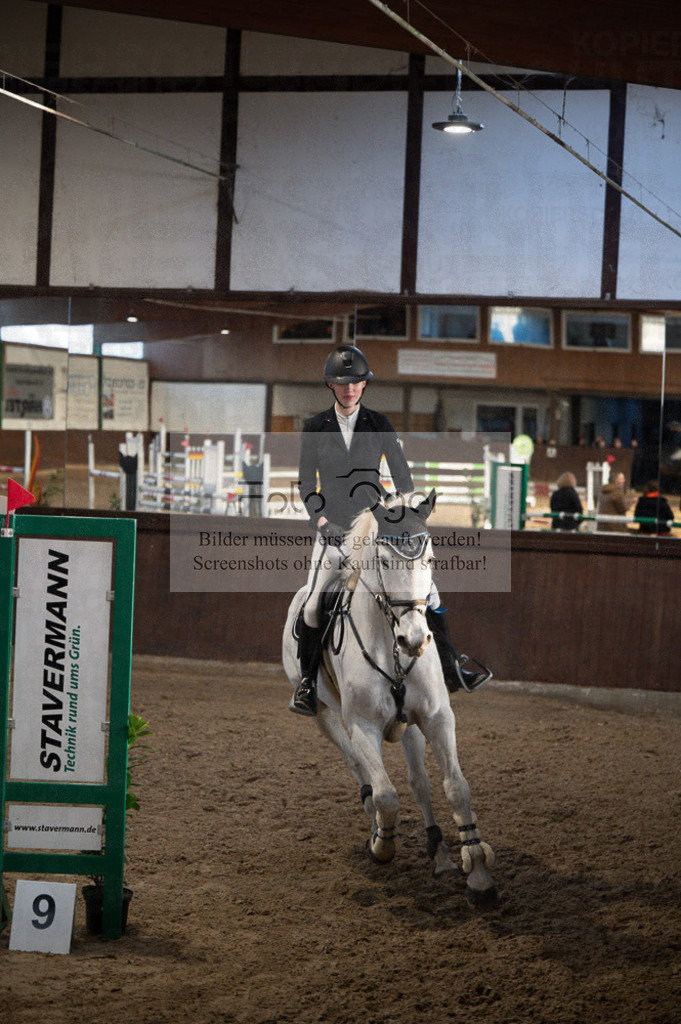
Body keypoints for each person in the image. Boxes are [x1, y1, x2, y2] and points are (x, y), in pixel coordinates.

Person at [291, 344, 491, 716]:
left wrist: (405, 514)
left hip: (377, 523)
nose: (349, 389)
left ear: (364, 386)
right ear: (331, 386)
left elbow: (402, 475)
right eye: (341, 383)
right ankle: (307, 683)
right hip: (332, 528)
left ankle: (451, 668)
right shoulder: (314, 427)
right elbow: (306, 485)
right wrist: (321, 521)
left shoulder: (379, 423)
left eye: (355, 383)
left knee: (427, 591)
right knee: (315, 602)